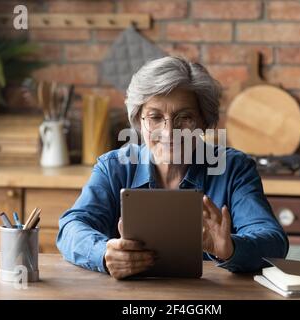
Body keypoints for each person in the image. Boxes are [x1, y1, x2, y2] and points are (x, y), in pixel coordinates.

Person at [57, 56, 288, 280]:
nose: (169, 133)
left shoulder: (234, 168)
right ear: (139, 122)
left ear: (204, 122)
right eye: (155, 117)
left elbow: (274, 241)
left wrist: (231, 248)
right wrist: (104, 254)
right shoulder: (114, 167)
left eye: (184, 117)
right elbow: (70, 228)